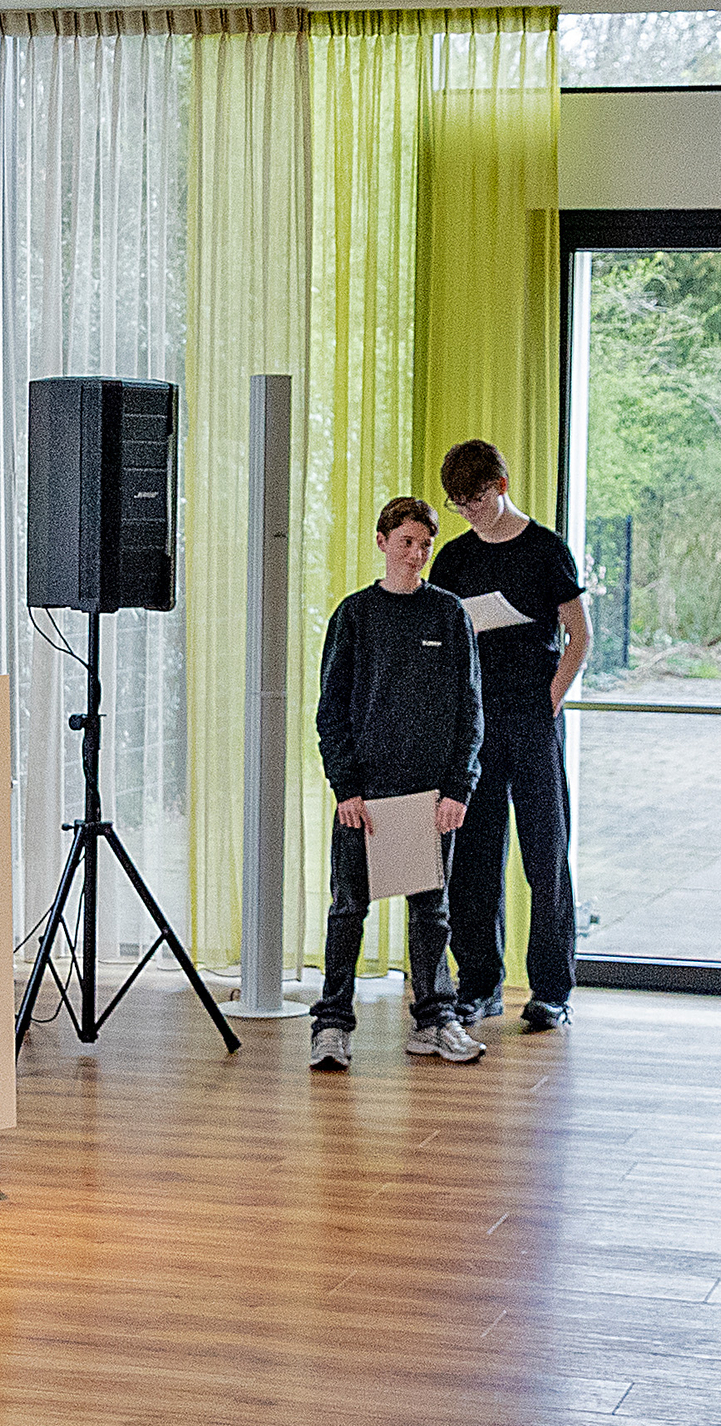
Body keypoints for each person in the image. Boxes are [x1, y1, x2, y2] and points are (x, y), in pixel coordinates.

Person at [308, 497, 482, 1072]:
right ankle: (331, 1026)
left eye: (425, 544)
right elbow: (330, 711)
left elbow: (470, 711)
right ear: (383, 542)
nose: (417, 554)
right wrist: (345, 787)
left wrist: (459, 787)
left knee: (432, 912)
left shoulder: (449, 615)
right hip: (366, 797)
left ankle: (435, 1022)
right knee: (347, 910)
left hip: (431, 797)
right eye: (407, 542)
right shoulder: (353, 616)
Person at [427, 439, 590, 1035]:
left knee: (545, 855)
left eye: (474, 500)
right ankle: (479, 986)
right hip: (473, 722)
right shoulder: (454, 558)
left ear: (500, 484)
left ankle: (551, 990)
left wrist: (548, 701)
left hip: (534, 714)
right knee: (473, 857)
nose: (467, 512)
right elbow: (438, 636)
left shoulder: (546, 550)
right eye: (457, 503)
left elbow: (579, 637)